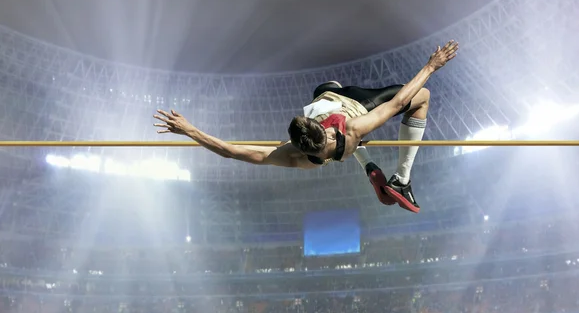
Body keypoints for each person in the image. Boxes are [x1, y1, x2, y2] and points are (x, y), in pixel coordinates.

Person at [154, 40, 458, 213]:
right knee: (422, 98)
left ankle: (368, 166)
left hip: (331, 123)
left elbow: (231, 151)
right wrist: (431, 66)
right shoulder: (351, 128)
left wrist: (191, 130)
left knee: (326, 91)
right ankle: (401, 179)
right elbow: (397, 102)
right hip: (349, 104)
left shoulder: (293, 156)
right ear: (322, 128)